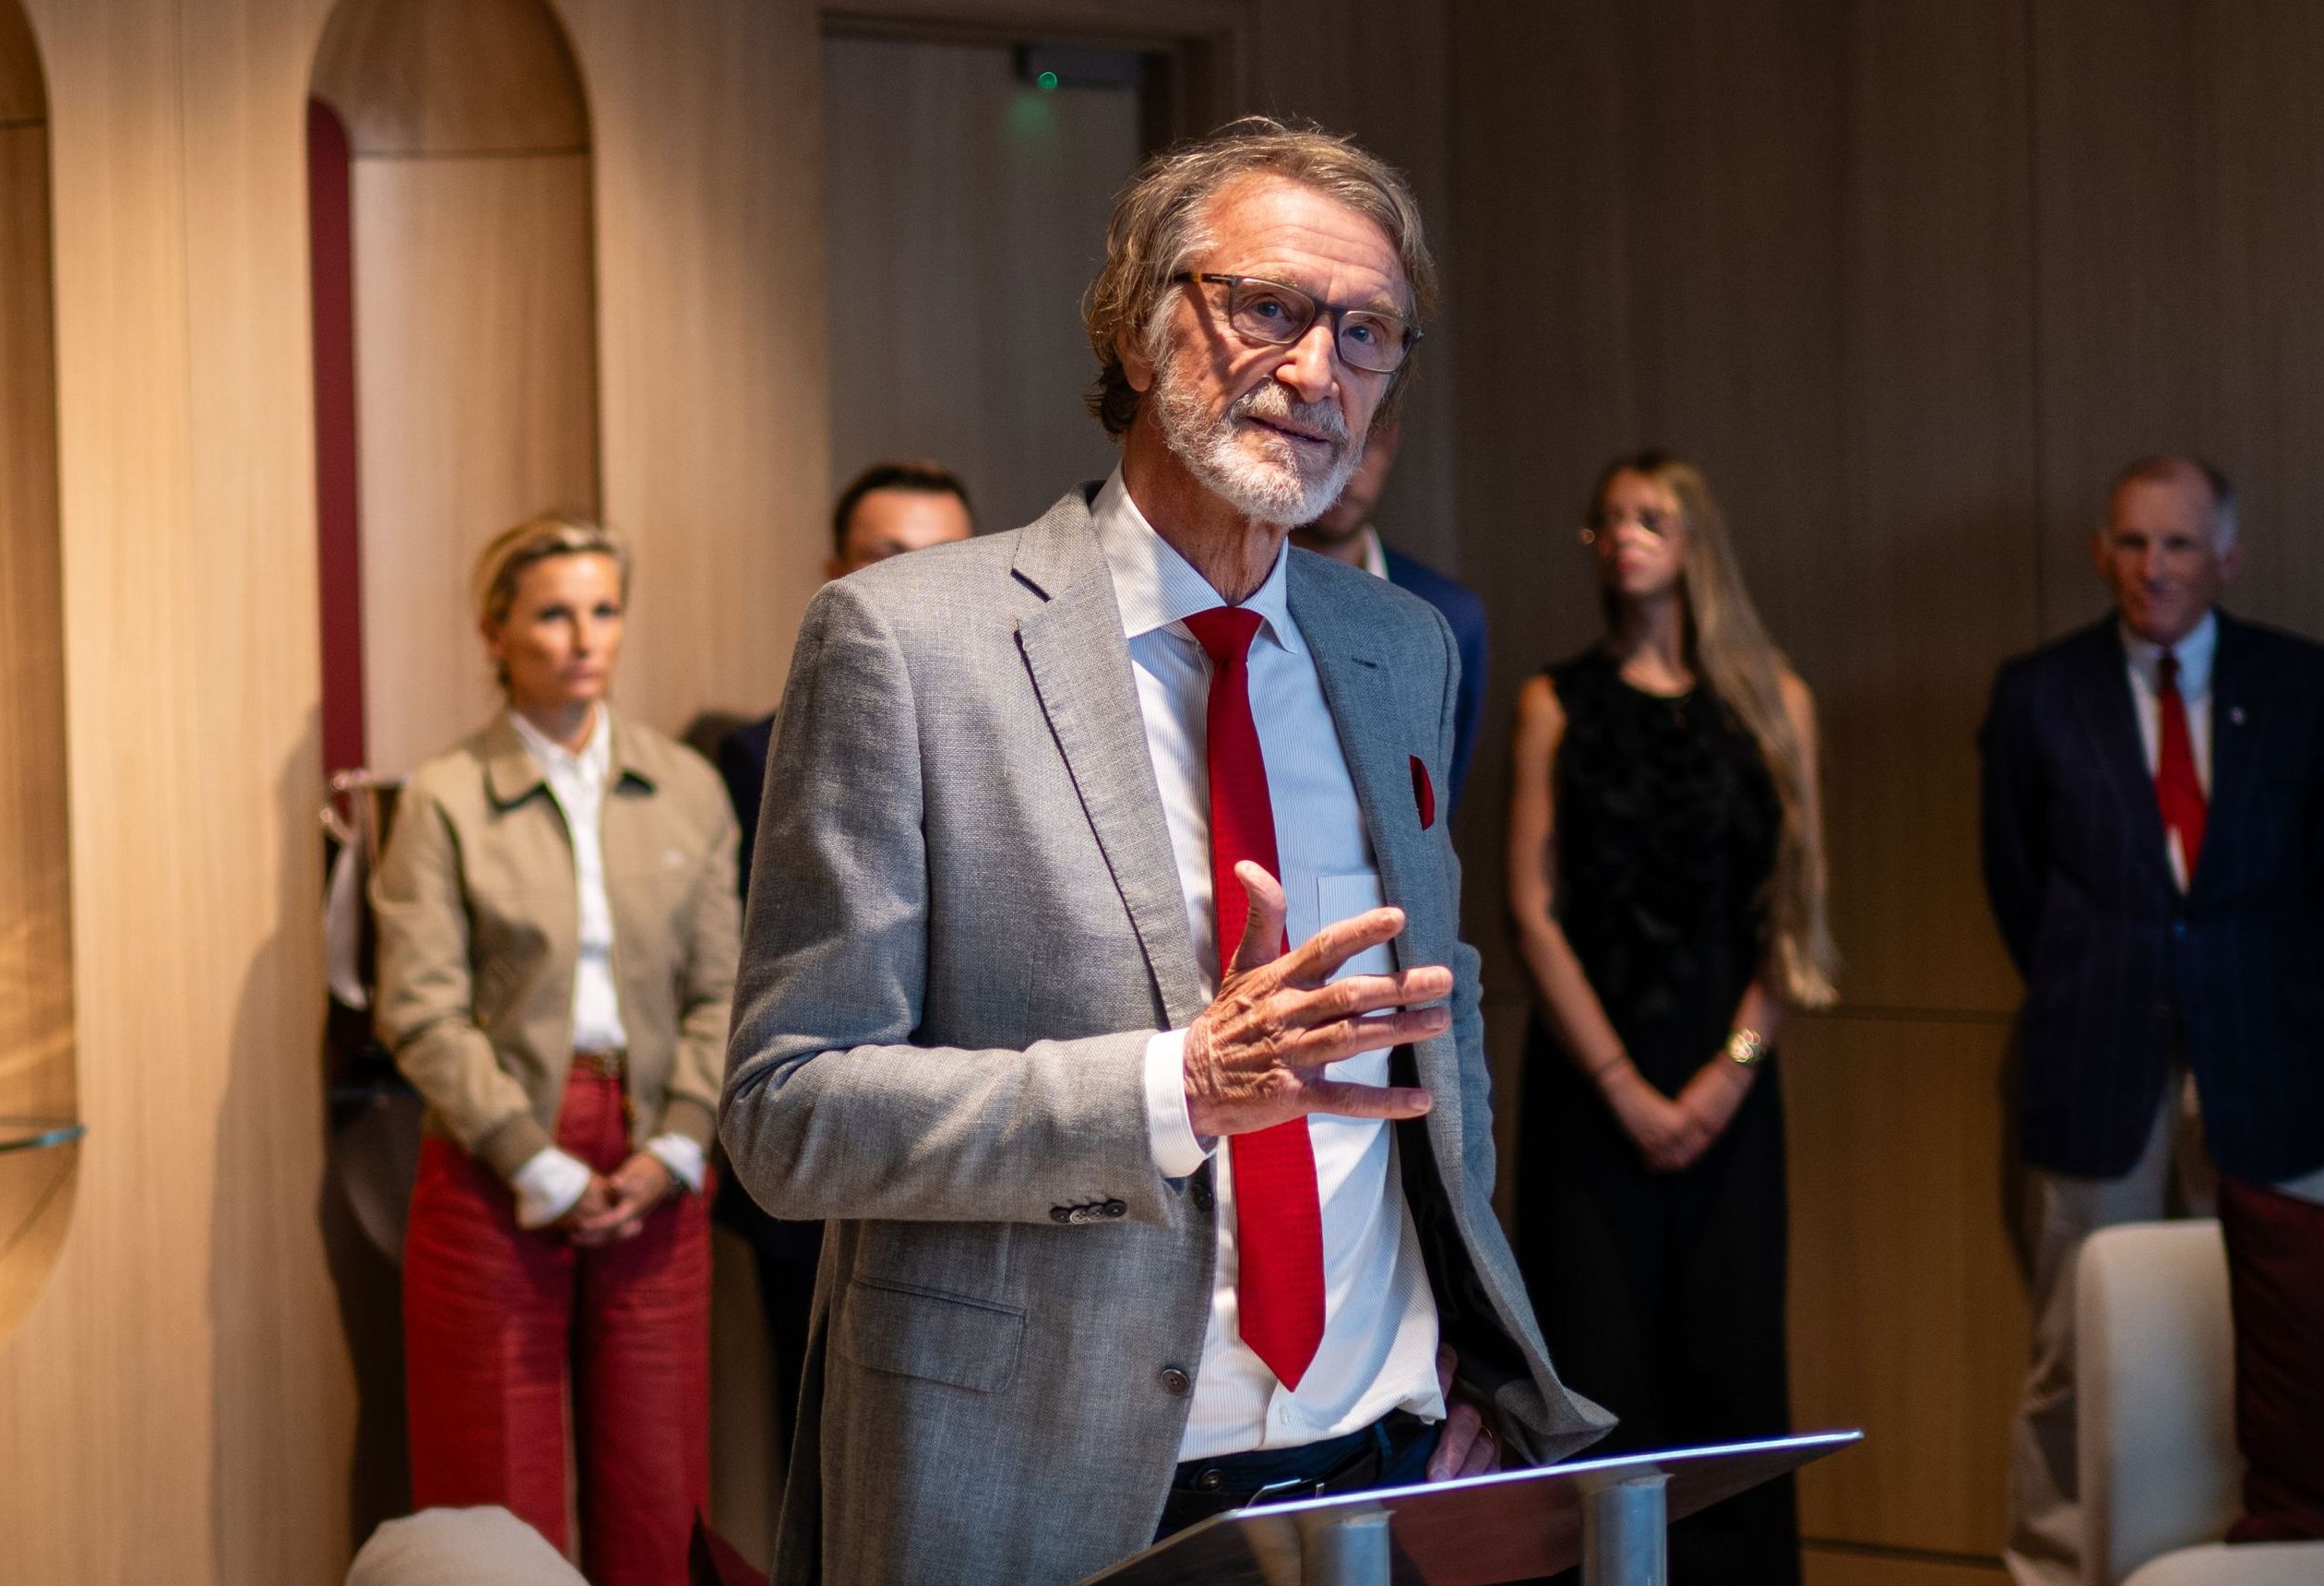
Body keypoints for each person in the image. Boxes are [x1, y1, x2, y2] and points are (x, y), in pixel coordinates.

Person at [722, 118, 1610, 1586]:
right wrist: (1174, 1086)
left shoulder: (1401, 648)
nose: (1319, 371)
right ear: (1140, 331)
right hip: (1046, 1483)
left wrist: (1458, 1329)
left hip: (1380, 1457)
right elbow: (787, 1112)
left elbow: (1434, 1018)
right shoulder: (910, 643)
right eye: (1269, 308)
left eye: (1367, 332)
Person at [1983, 456, 2324, 1586]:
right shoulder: (2037, 692)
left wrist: (2257, 990)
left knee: (2286, 1344)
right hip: (2091, 1064)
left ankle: (2270, 1566)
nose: (2152, 567)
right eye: (2132, 542)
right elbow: (2014, 884)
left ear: (2227, 558)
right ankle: (2050, 1571)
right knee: (2070, 1355)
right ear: (2100, 552)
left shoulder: (2302, 685)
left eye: (2179, 544)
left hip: (2265, 1058)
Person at [373, 515, 741, 1586]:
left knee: (657, 1487)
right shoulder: (444, 797)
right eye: (551, 614)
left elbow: (723, 988)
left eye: (603, 610)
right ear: (493, 633)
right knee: (494, 1491)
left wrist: (678, 1143)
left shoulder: (685, 787)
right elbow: (419, 1008)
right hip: (495, 1157)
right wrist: (530, 1160)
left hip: (656, 1150)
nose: (583, 638)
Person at [1506, 450, 1838, 1586]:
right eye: (1605, 520)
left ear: (1696, 542)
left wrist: (1726, 1074)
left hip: (1726, 1085)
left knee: (1729, 1371)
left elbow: (1794, 912)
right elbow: (1529, 910)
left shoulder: (1774, 702)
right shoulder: (1552, 702)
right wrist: (1621, 1087)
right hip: (1586, 1088)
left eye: (1648, 518)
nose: (1623, 537)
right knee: (1594, 1378)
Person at [711, 460, 975, 1458]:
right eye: (887, 557)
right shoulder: (756, 757)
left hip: (984, 1152)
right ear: (836, 573)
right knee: (818, 1444)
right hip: (822, 1156)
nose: (918, 582)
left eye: (945, 558)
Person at [1291, 413, 1490, 802]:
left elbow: (1436, 810)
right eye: (1328, 441)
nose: (1348, 470)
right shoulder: (1238, 594)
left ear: (1390, 444)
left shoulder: (1449, 617)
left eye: (1365, 444)